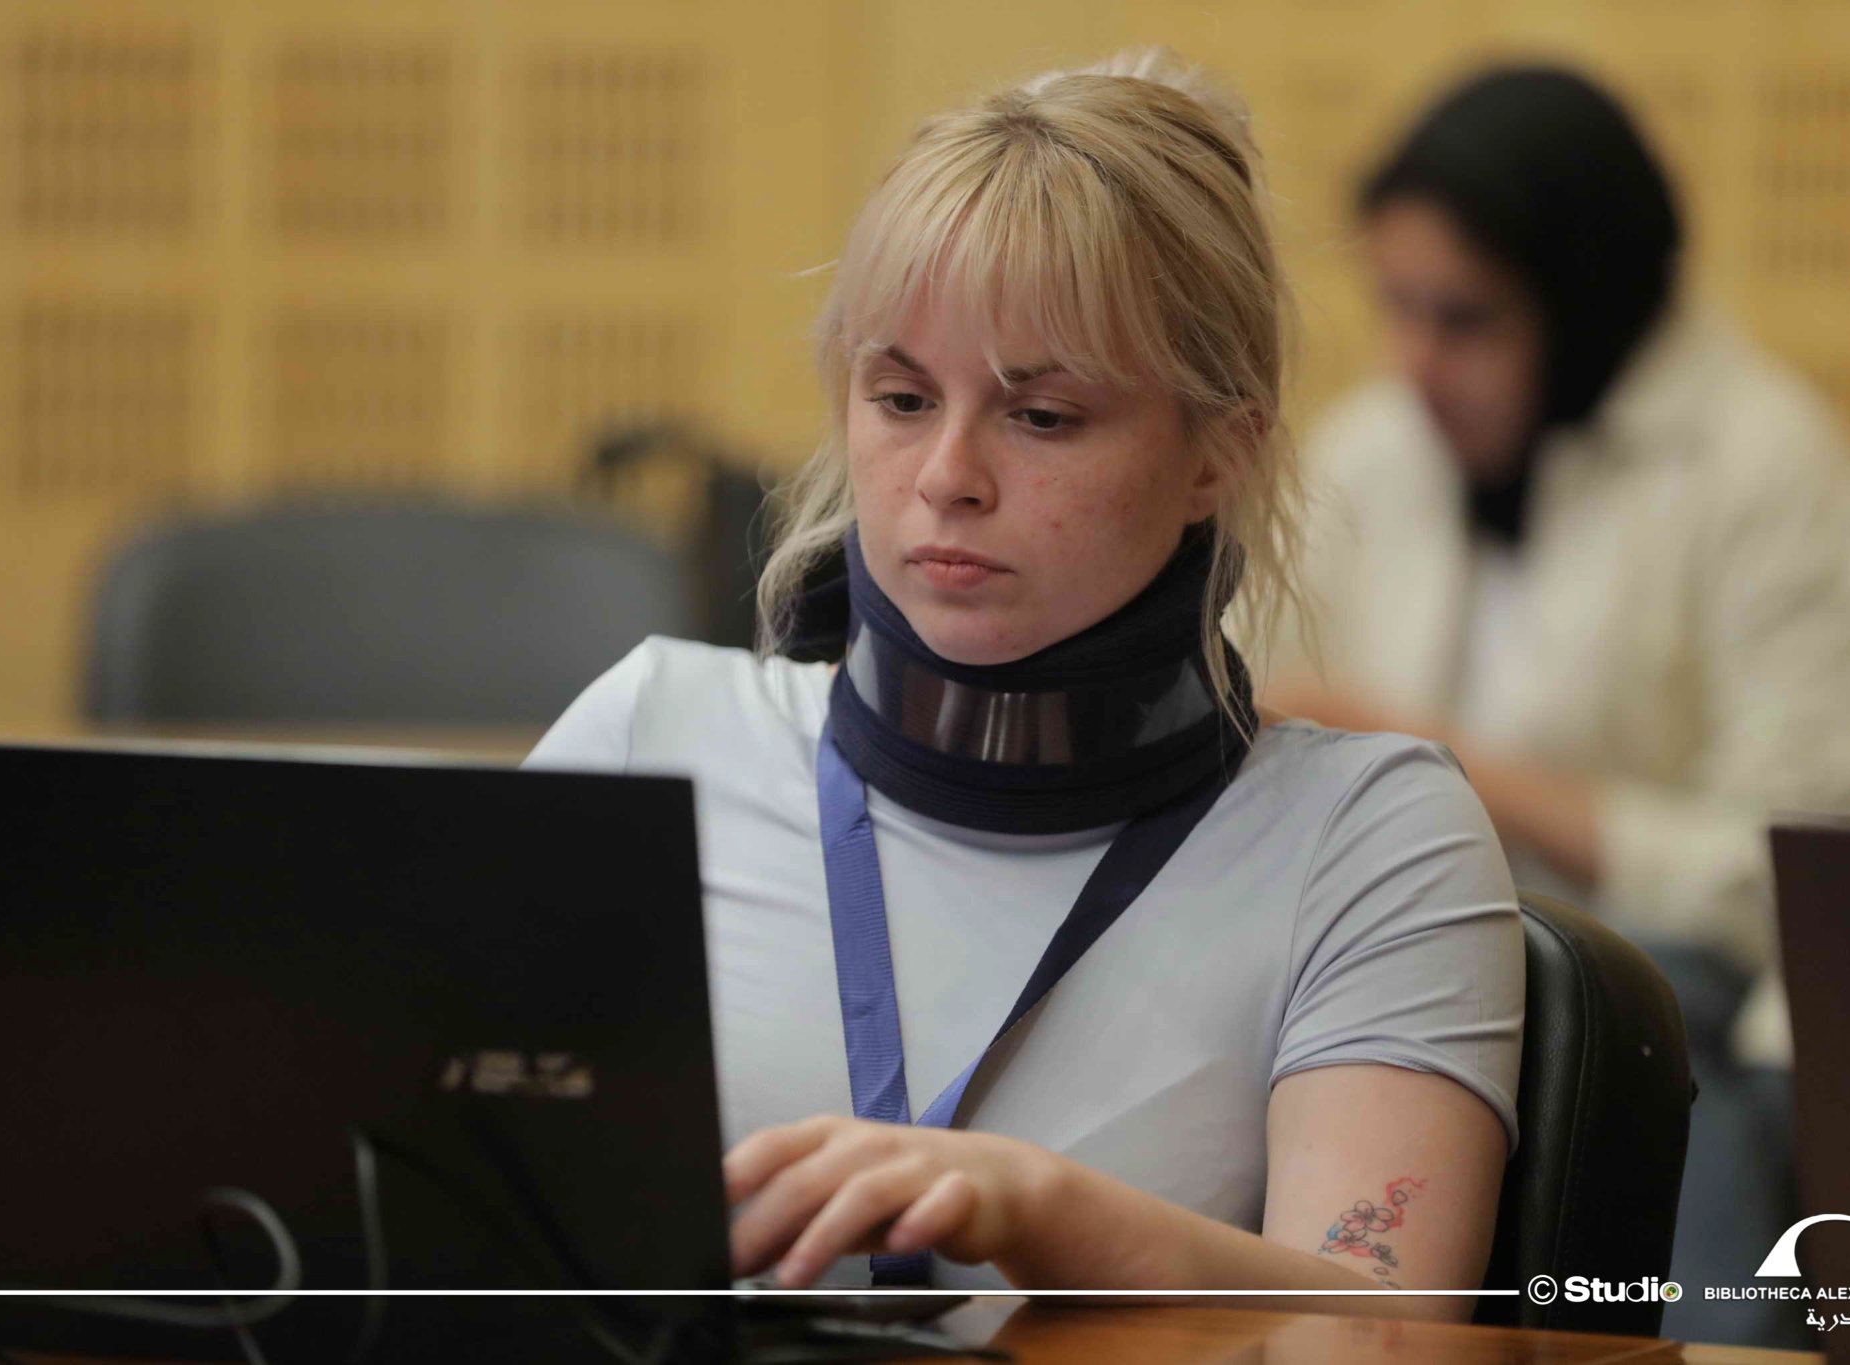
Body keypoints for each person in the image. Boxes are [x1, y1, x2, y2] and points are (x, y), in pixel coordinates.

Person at [527, 50, 1524, 1310]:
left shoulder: (1368, 838)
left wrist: (1047, 1210)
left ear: (1216, 455)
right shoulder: (650, 736)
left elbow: (1378, 1329)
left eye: (1041, 416)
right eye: (900, 397)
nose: (946, 475)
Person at [1266, 65, 1850, 1346]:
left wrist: (1438, 765)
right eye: (1396, 308)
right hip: (1463, 958)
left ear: (1583, 303)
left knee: (1626, 1021)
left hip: (1767, 998)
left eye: (1466, 319)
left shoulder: (1768, 479)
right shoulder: (1375, 452)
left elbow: (1784, 889)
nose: (1417, 362)